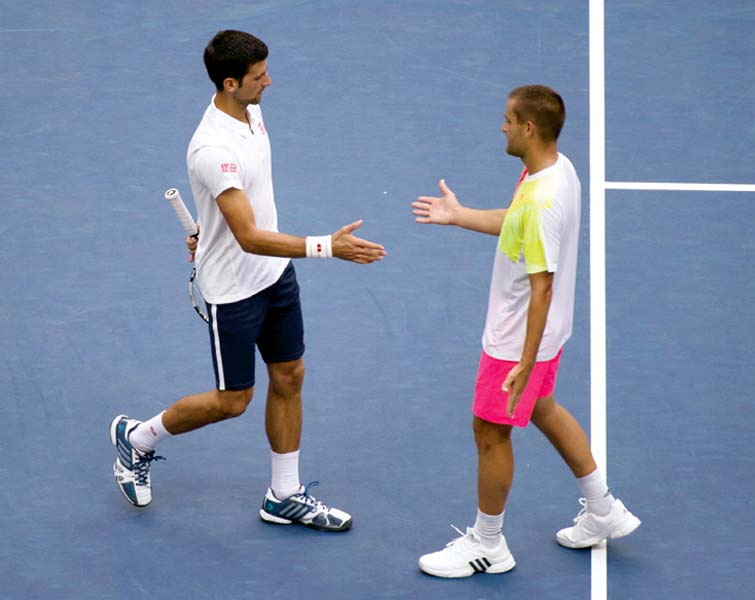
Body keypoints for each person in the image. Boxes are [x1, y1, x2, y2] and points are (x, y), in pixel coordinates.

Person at [110, 30, 386, 532]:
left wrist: (206, 230)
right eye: (260, 77)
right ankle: (139, 437)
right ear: (231, 82)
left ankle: (284, 495)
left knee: (290, 375)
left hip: (275, 274)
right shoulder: (211, 149)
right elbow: (249, 236)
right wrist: (328, 246)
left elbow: (239, 207)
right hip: (234, 288)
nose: (269, 81)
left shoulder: (251, 110)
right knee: (233, 401)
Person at [412, 85, 640, 577]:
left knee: (489, 430)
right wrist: (459, 215)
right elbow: (516, 224)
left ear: (529, 128)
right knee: (542, 406)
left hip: (518, 340)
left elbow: (541, 288)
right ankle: (603, 508)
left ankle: (488, 544)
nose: (502, 126)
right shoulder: (556, 169)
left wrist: (524, 362)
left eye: (508, 119)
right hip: (547, 333)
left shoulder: (541, 202)